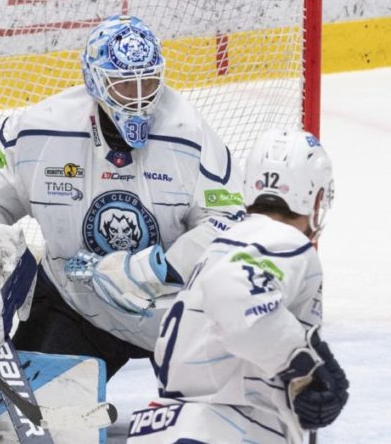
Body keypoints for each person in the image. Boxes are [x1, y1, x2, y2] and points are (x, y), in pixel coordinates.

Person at [0, 14, 246, 379]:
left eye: (148, 82)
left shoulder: (190, 134)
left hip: (176, 312)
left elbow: (230, 226)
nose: (138, 99)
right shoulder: (42, 129)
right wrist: (3, 266)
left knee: (222, 422)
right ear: (95, 81)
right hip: (78, 307)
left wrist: (147, 272)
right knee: (37, 420)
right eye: (123, 85)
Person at [131, 128, 349, 443]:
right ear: (316, 197)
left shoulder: (224, 245)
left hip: (173, 426)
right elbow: (237, 296)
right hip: (225, 429)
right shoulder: (284, 241)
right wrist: (304, 370)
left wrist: (316, 355)